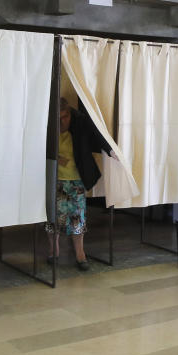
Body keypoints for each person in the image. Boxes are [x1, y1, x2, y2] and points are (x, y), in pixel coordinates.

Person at [48, 97, 110, 271]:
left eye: (65, 116)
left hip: (76, 181)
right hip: (55, 181)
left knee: (78, 220)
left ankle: (80, 255)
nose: (62, 121)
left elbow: (98, 135)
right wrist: (57, 160)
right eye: (58, 118)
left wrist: (112, 150)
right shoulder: (48, 130)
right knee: (53, 219)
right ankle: (54, 251)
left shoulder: (79, 125)